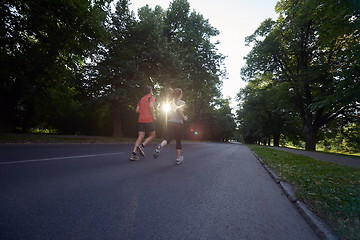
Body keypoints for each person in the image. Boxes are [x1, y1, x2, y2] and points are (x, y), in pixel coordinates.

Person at [153, 88, 188, 165]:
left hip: (170, 122)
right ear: (181, 94)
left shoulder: (170, 102)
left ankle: (160, 145)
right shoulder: (182, 102)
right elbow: (180, 110)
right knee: (178, 141)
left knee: (168, 139)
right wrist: (184, 117)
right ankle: (178, 159)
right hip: (179, 123)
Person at [130, 86, 156, 161]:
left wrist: (143, 109)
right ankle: (142, 146)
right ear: (150, 91)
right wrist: (153, 116)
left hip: (141, 119)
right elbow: (151, 107)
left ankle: (133, 154)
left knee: (140, 137)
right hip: (148, 119)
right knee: (152, 135)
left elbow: (137, 110)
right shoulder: (151, 98)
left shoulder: (141, 99)